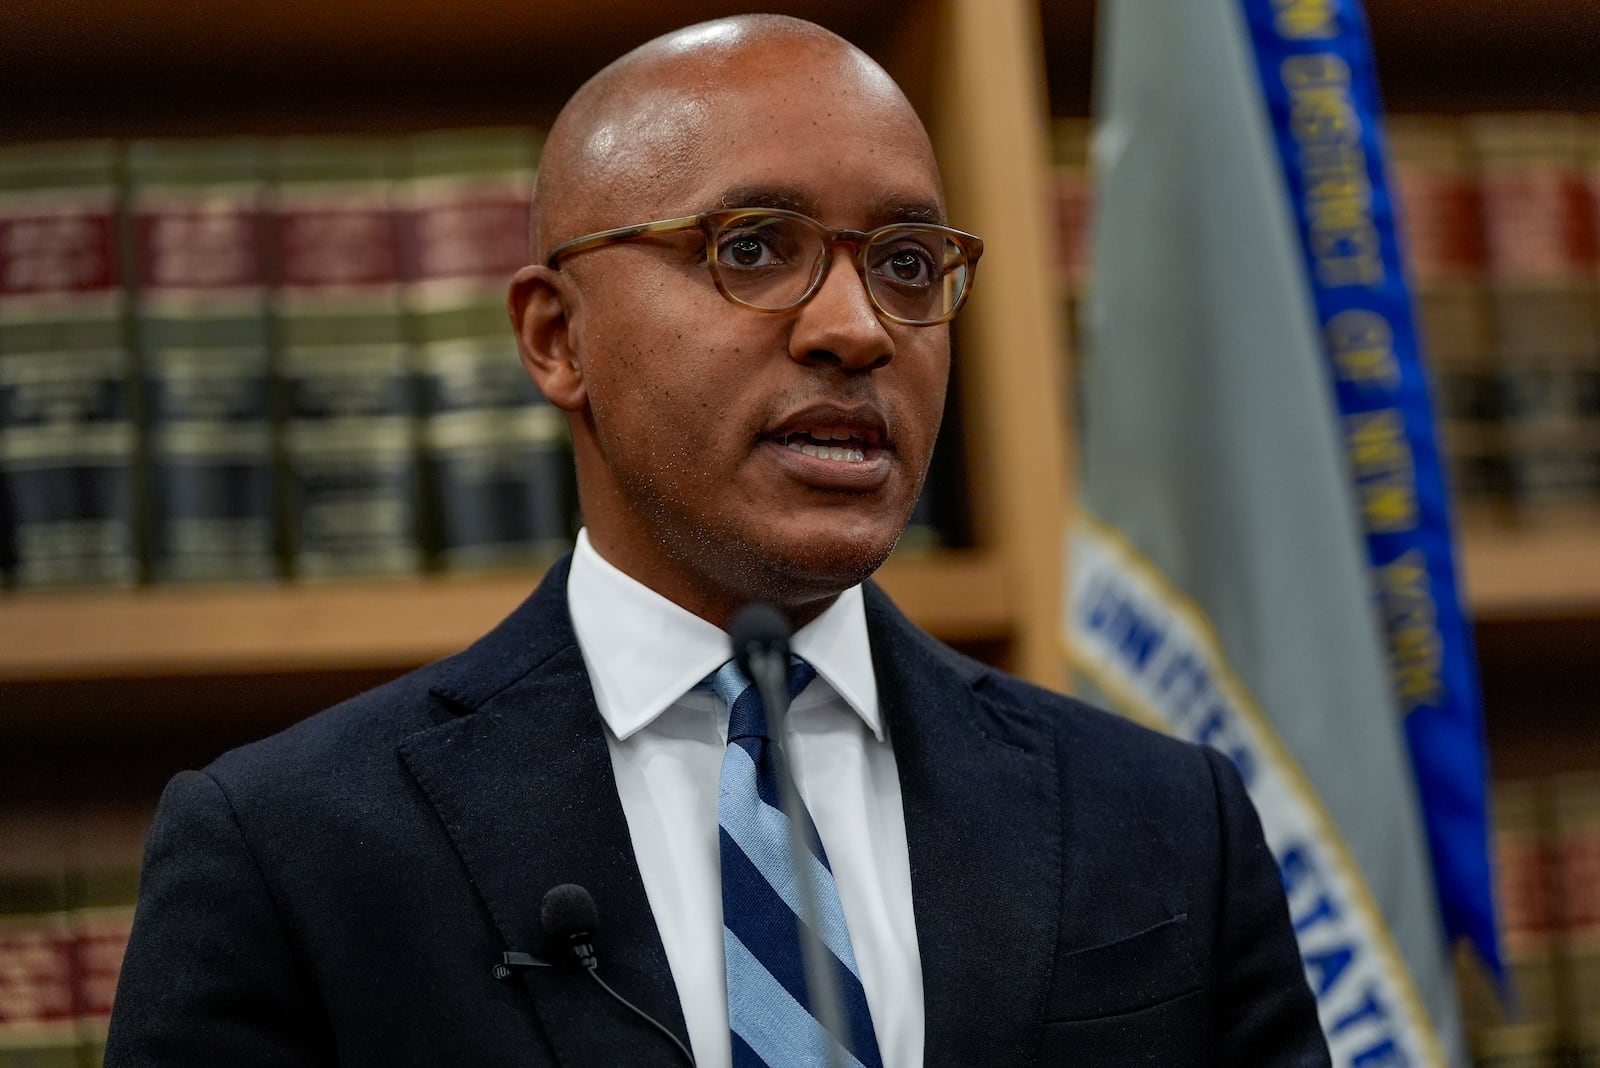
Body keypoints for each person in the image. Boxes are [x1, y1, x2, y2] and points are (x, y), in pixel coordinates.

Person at [105, 14, 1330, 1067]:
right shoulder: (293, 847)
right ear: (555, 339)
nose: (855, 328)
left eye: (907, 264)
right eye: (752, 248)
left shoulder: (1167, 816)